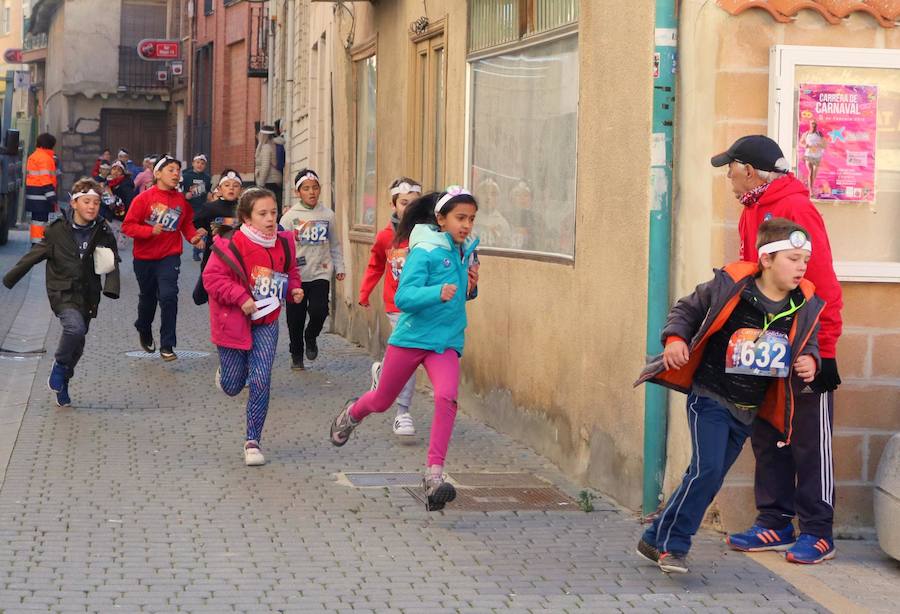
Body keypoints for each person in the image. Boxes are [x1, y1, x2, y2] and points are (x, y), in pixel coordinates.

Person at [634, 218, 823, 574]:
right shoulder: (731, 286)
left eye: (805, 260)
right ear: (766, 259)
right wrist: (675, 339)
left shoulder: (803, 303)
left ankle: (654, 538)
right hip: (710, 395)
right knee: (706, 471)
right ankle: (674, 547)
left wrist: (810, 359)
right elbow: (686, 310)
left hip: (747, 410)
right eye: (793, 258)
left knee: (707, 474)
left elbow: (807, 339)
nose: (801, 267)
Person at [711, 135, 843, 564]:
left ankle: (819, 532)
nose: (728, 178)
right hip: (765, 343)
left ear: (749, 170)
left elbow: (822, 283)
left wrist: (825, 352)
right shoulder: (751, 210)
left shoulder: (795, 209)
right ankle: (774, 522)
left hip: (803, 345)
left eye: (730, 169)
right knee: (769, 434)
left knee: (808, 439)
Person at [330, 186, 480, 512]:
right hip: (411, 338)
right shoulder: (424, 251)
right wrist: (436, 291)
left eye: (471, 218)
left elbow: (461, 296)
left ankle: (434, 475)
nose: (467, 225)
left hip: (445, 342)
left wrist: (471, 287)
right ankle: (352, 413)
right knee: (383, 400)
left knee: (446, 397)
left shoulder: (463, 250)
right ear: (441, 219)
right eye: (460, 218)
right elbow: (403, 298)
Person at [202, 187, 303, 466]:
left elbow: (290, 271)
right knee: (234, 386)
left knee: (260, 379)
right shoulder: (229, 244)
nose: (271, 219)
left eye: (274, 212)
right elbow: (212, 280)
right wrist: (241, 297)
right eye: (263, 214)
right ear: (247, 218)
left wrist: (294, 289)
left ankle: (253, 440)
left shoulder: (284, 242)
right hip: (233, 322)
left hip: (267, 321)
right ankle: (226, 375)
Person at [3, 177, 120, 407]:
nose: (91, 207)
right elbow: (35, 255)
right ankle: (58, 367)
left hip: (88, 294)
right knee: (74, 328)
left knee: (78, 343)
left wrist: (112, 288)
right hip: (61, 291)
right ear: (74, 203)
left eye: (95, 203)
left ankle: (63, 380)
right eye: (86, 202)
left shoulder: (103, 230)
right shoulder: (57, 231)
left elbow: (112, 260)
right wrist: (10, 278)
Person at [122, 155, 206, 361]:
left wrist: (193, 237)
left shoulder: (180, 200)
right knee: (148, 298)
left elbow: (185, 223)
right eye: (171, 169)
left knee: (169, 296)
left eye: (178, 170)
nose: (176, 173)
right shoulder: (143, 199)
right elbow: (127, 226)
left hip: (169, 256)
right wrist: (149, 231)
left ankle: (167, 344)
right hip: (144, 257)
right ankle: (143, 328)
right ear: (157, 174)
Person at [358, 177, 423, 436]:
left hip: (421, 305)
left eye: (414, 203)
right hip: (396, 305)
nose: (409, 208)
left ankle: (382, 370)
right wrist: (364, 293)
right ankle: (402, 413)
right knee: (407, 355)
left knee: (404, 356)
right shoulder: (385, 236)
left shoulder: (428, 235)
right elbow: (375, 265)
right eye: (404, 203)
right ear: (393, 204)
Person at [280, 169, 345, 370]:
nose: (311, 192)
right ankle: (296, 354)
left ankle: (311, 336)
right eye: (306, 188)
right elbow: (281, 248)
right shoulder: (289, 218)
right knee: (295, 318)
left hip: (320, 271)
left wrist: (339, 266)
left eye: (315, 188)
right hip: (296, 275)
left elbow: (335, 243)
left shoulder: (328, 214)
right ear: (297, 191)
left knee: (320, 310)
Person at [191, 169, 243, 306]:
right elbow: (195, 222)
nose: (231, 188)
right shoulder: (210, 208)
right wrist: (199, 231)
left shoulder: (245, 209)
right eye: (227, 185)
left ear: (241, 191)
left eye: (235, 185)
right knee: (213, 294)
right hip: (213, 256)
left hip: (238, 257)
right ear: (219, 189)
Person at [25, 133, 59, 244]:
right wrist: (52, 198)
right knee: (41, 221)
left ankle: (36, 243)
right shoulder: (46, 159)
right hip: (42, 196)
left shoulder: (33, 156)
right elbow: (46, 179)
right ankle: (39, 246)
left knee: (36, 221)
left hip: (33, 194)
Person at [182, 154, 213, 262]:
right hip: (189, 206)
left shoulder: (207, 178)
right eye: (198, 162)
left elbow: (209, 191)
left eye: (202, 163)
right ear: (193, 163)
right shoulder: (186, 176)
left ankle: (198, 250)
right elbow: (178, 190)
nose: (200, 165)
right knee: (195, 229)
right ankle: (198, 248)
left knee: (202, 228)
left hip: (202, 206)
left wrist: (211, 197)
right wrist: (185, 194)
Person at [255, 125, 284, 218]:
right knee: (275, 205)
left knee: (269, 207)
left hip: (269, 180)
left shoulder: (266, 147)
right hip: (276, 179)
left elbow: (265, 166)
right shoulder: (274, 145)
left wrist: (261, 183)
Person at [800, 120, 826, 195]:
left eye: (815, 124)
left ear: (817, 125)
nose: (813, 125)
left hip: (817, 156)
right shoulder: (806, 134)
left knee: (814, 173)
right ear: (810, 124)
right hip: (808, 155)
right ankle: (811, 191)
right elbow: (801, 142)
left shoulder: (819, 134)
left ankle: (810, 185)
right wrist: (805, 145)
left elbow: (825, 145)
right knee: (811, 171)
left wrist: (819, 145)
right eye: (812, 123)